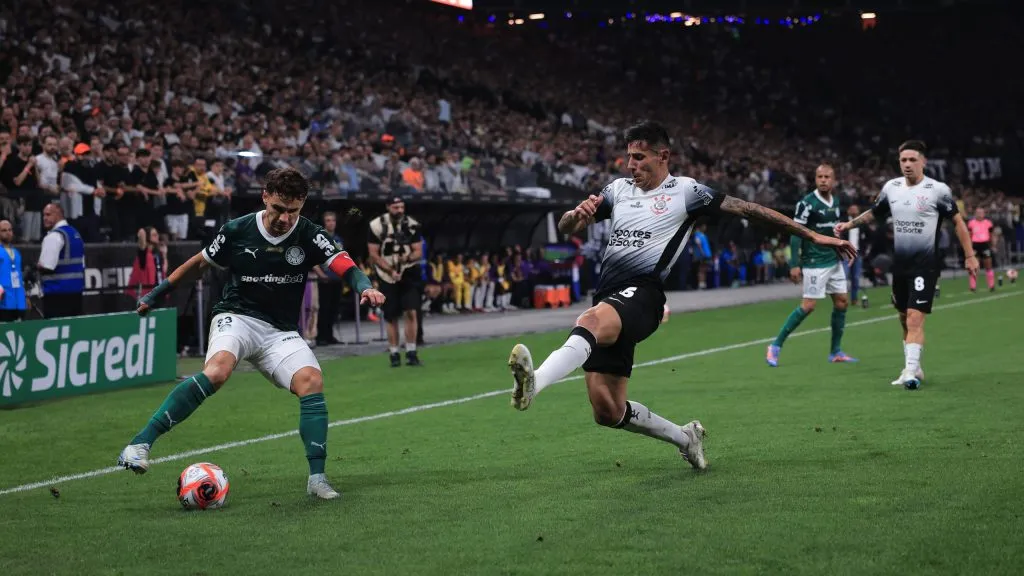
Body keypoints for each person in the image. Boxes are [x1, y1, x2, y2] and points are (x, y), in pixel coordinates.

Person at [507, 121, 856, 469]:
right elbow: (570, 226)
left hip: (644, 296)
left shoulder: (688, 192)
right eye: (629, 157)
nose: (631, 165)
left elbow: (751, 209)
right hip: (610, 298)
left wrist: (814, 237)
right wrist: (574, 215)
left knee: (590, 320)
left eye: (639, 157)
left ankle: (535, 383)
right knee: (607, 410)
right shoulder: (617, 191)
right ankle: (685, 437)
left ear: (663, 156)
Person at [117, 168, 385, 500]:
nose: (286, 218)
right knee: (217, 371)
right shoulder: (237, 230)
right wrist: (155, 294)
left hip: (279, 331)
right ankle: (139, 444)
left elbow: (344, 264)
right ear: (265, 198)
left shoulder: (308, 233)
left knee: (311, 382)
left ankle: (317, 479)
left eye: (293, 211)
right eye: (279, 209)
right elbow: (198, 263)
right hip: (237, 316)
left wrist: (366, 287)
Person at [836, 140, 978, 388]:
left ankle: (910, 372)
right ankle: (913, 368)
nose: (908, 164)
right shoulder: (892, 188)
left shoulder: (937, 190)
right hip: (900, 265)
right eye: (903, 160)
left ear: (923, 161)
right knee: (903, 317)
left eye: (913, 160)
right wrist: (849, 225)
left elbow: (958, 222)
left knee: (914, 318)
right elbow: (874, 212)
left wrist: (969, 255)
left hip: (925, 265)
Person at [766, 163, 857, 366]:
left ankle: (835, 352)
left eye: (827, 177)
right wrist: (794, 264)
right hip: (815, 262)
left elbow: (832, 233)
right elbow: (796, 232)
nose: (823, 180)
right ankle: (775, 346)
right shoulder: (807, 204)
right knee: (808, 306)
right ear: (815, 179)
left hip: (833, 261)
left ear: (833, 180)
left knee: (842, 302)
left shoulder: (836, 202)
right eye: (819, 177)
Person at [367, 196, 424, 367]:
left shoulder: (412, 224)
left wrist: (405, 260)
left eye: (401, 207)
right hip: (386, 274)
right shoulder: (376, 225)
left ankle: (411, 351)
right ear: (388, 207)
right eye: (395, 207)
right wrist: (391, 270)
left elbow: (418, 251)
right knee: (391, 315)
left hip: (408, 272)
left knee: (411, 311)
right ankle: (394, 353)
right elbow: (374, 254)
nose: (399, 210)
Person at [37, 203, 85, 318]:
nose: (45, 218)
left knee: (56, 332)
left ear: (58, 215)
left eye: (48, 215)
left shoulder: (54, 236)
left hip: (56, 295)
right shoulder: (76, 234)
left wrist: (37, 266)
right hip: (76, 294)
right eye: (44, 215)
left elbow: (47, 266)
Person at [0, 219, 28, 321]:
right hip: (3, 301)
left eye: (10, 230)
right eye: (4, 230)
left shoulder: (16, 253)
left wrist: (24, 299)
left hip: (18, 300)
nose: (8, 233)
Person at [967, 207, 996, 292]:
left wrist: (993, 245)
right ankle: (973, 286)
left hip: (985, 245)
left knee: (988, 266)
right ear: (975, 214)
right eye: (978, 212)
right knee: (974, 267)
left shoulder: (988, 223)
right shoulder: (971, 223)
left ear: (984, 214)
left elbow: (991, 235)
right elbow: (969, 235)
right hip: (975, 246)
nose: (979, 214)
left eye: (981, 212)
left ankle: (991, 286)